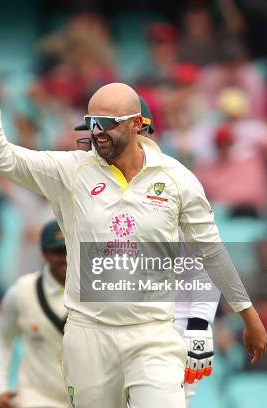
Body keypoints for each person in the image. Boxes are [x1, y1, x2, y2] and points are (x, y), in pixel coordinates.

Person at [0, 35, 267, 408]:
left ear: (137, 124)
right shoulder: (70, 170)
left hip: (152, 335)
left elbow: (210, 252)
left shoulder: (177, 178)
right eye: (91, 122)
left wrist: (248, 314)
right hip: (88, 335)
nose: (96, 131)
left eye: (106, 122)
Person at [76, 95, 220, 405]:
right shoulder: (94, 187)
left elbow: (206, 263)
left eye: (106, 130)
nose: (95, 141)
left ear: (137, 131)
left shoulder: (171, 183)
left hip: (170, 329)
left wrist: (198, 327)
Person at [0, 220, 68, 408]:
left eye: (70, 249)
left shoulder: (99, 289)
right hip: (38, 399)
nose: (66, 258)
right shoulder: (23, 290)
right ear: (44, 253)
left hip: (90, 399)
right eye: (58, 252)